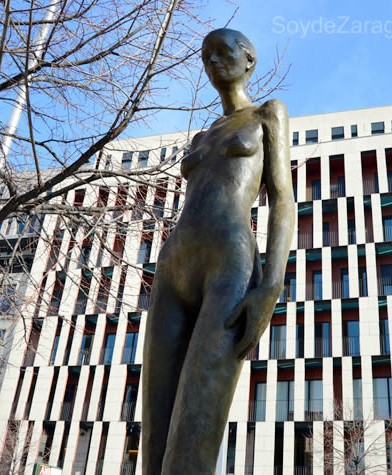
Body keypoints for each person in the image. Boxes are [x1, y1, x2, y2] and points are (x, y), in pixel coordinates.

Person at [142, 28, 295, 474]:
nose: (213, 62)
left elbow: (282, 199)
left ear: (249, 59)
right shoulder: (202, 136)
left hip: (229, 264)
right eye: (206, 56)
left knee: (195, 429)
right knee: (154, 435)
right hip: (173, 266)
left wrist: (271, 284)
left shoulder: (269, 113)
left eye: (223, 52)